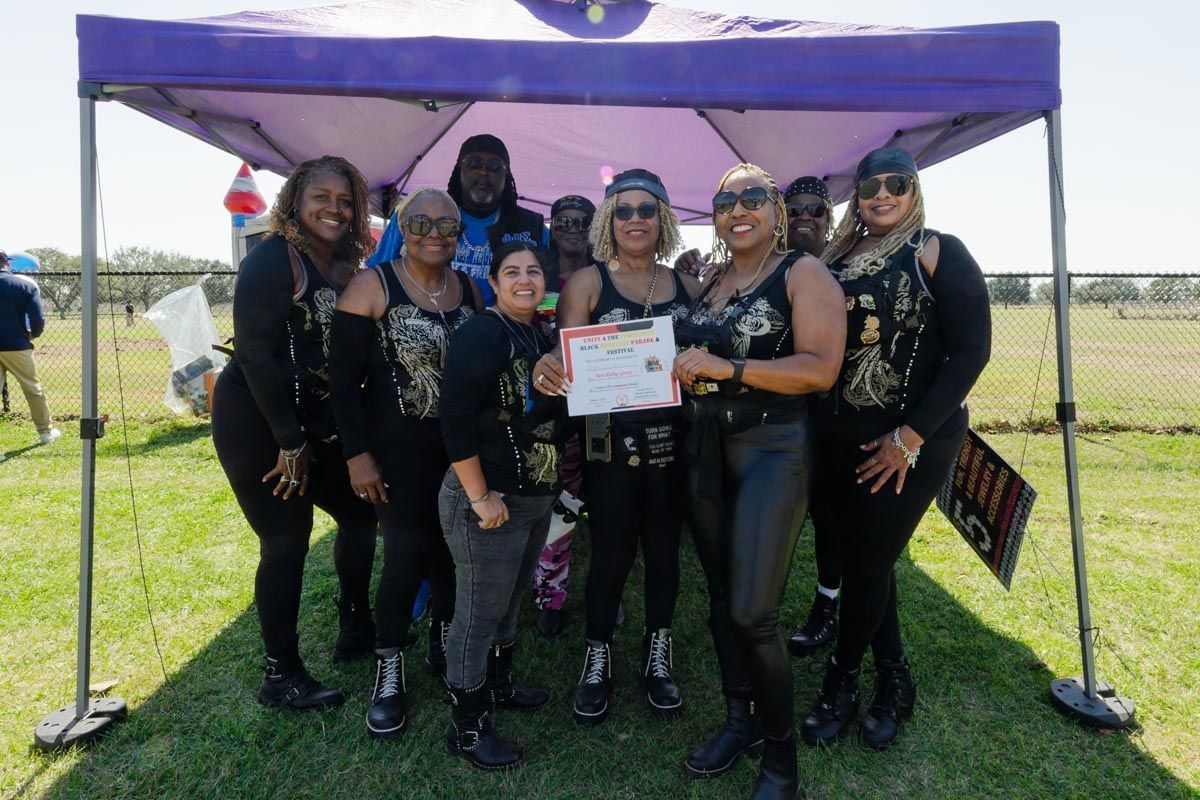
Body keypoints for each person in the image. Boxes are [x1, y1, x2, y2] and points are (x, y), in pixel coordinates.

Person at [800, 147, 990, 750]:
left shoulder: (937, 250)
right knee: (868, 558)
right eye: (870, 186)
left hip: (911, 440)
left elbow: (971, 351)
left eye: (896, 183)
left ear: (914, 190)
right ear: (855, 196)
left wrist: (909, 438)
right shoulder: (833, 257)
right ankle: (895, 676)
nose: (882, 194)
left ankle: (841, 682)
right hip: (835, 435)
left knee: (868, 562)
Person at [671, 164, 844, 799]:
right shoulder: (712, 281)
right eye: (725, 201)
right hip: (705, 447)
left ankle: (780, 761)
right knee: (722, 599)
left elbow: (820, 369)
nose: (737, 209)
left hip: (773, 448)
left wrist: (732, 368)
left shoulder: (803, 273)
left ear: (776, 211)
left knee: (753, 611)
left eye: (752, 198)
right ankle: (738, 721)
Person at [210, 156, 379, 711]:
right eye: (321, 197)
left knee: (361, 515)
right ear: (295, 201)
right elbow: (254, 354)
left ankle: (356, 626)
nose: (334, 208)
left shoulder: (346, 262)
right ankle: (280, 675)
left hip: (317, 420)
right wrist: (289, 441)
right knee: (285, 540)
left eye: (345, 200)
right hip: (259, 422)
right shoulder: (271, 259)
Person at [534, 169, 699, 725]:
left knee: (663, 553)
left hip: (672, 443)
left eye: (646, 210)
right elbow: (566, 361)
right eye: (623, 210)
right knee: (610, 553)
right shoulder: (587, 283)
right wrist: (550, 365)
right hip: (607, 441)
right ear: (608, 220)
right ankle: (597, 655)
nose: (635, 220)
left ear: (663, 219)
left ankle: (658, 652)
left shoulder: (685, 285)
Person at [329, 187, 483, 739]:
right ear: (402, 226)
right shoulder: (372, 286)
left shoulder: (469, 289)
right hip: (394, 449)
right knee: (405, 554)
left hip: (458, 450)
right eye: (421, 222)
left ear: (459, 234)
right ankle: (388, 664)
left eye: (447, 225)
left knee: (451, 552)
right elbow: (342, 384)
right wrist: (357, 455)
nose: (433, 234)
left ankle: (442, 643)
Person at [438, 241, 564, 771]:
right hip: (490, 501)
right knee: (478, 612)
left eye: (534, 271)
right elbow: (454, 418)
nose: (524, 280)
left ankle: (499, 684)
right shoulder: (481, 332)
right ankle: (467, 726)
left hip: (532, 498)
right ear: (493, 282)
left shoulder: (538, 334)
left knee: (510, 601)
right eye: (511, 272)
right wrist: (479, 495)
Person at [778, 176, 842, 658]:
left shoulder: (851, 268)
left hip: (839, 417)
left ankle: (827, 602)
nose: (804, 217)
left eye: (814, 209)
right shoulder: (770, 269)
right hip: (782, 417)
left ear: (829, 217)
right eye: (793, 209)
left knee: (831, 517)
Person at [369, 134, 549, 305]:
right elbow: (379, 275)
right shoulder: (414, 214)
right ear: (459, 170)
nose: (483, 172)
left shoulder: (533, 226)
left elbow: (553, 284)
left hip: (505, 323)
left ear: (506, 174)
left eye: (494, 166)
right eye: (473, 163)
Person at [530, 194, 599, 638]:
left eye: (582, 221)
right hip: (547, 410)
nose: (572, 228)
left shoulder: (608, 273)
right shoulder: (536, 272)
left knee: (595, 503)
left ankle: (603, 591)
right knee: (556, 506)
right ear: (551, 226)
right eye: (563, 220)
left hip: (600, 409)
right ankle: (549, 595)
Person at [0, 250, 60, 445]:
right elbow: (37, 319)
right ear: (7, 263)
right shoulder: (25, 285)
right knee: (33, 389)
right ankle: (45, 432)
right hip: (17, 345)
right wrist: (33, 333)